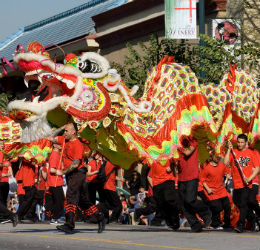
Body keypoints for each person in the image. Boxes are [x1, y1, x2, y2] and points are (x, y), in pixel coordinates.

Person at [48, 123, 105, 234]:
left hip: (77, 174)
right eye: (64, 131)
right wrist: (61, 127)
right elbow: (50, 138)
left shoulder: (78, 145)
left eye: (67, 131)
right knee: (82, 201)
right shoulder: (64, 140)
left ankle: (69, 225)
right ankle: (100, 217)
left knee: (71, 196)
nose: (65, 133)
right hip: (71, 175)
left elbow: (75, 164)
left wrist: (62, 171)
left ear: (74, 132)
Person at [224, 134, 260, 233]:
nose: (239, 144)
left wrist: (250, 178)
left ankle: (240, 225)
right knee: (237, 202)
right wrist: (228, 149)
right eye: (238, 142)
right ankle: (252, 218)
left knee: (244, 203)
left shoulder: (251, 153)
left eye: (241, 142)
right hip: (237, 184)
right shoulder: (233, 152)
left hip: (247, 184)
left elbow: (257, 168)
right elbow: (226, 162)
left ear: (246, 143)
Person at [177, 136, 212, 232]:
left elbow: (188, 152)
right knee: (183, 204)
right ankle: (195, 225)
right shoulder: (176, 141)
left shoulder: (192, 140)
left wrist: (174, 146)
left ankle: (205, 211)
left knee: (190, 200)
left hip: (192, 175)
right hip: (181, 177)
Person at [200, 145, 231, 229]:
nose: (217, 157)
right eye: (216, 156)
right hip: (212, 191)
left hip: (221, 190)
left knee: (227, 206)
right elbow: (202, 180)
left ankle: (227, 224)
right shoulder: (207, 167)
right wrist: (208, 189)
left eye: (218, 156)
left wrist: (228, 176)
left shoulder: (221, 165)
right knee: (217, 207)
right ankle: (215, 223)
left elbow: (228, 172)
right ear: (211, 156)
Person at [150, 160, 180, 230]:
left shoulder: (168, 150)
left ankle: (175, 220)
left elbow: (177, 160)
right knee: (161, 204)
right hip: (156, 182)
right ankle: (169, 221)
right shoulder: (151, 152)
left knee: (170, 200)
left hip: (168, 179)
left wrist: (172, 166)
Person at [42, 143, 65, 224]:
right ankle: (55, 218)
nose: (62, 145)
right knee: (59, 201)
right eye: (59, 144)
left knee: (56, 200)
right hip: (55, 181)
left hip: (55, 181)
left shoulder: (57, 154)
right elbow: (52, 169)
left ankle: (54, 217)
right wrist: (60, 172)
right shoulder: (55, 154)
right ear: (54, 145)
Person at [0, 140, 18, 227]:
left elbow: (10, 173)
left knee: (2, 202)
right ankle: (4, 217)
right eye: (1, 144)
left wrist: (4, 172)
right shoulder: (5, 159)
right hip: (3, 182)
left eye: (3, 145)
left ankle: (11, 215)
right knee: (2, 202)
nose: (2, 146)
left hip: (3, 182)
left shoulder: (1, 155)